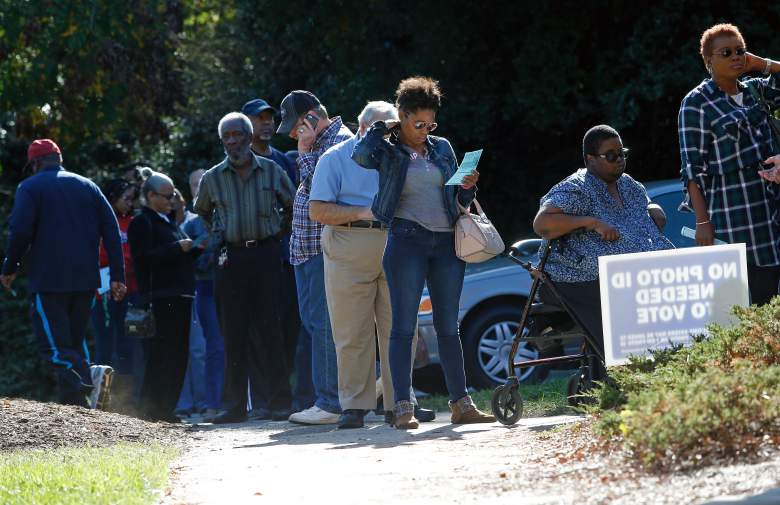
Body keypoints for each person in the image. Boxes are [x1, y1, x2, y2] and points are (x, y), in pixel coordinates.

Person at [352, 77, 494, 429]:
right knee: (403, 327)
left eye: (431, 123)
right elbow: (360, 156)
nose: (425, 130)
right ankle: (402, 405)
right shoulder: (386, 148)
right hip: (406, 240)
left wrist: (466, 188)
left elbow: (456, 201)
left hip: (447, 242)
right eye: (418, 124)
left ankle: (461, 403)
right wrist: (382, 129)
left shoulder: (442, 147)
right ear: (402, 117)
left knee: (449, 326)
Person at [310, 101, 435, 428]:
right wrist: (365, 211)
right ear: (364, 129)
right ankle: (354, 406)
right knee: (352, 331)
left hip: (397, 241)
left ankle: (401, 402)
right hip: (349, 243)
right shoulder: (333, 158)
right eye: (387, 128)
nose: (395, 135)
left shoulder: (405, 155)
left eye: (396, 128)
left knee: (401, 329)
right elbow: (318, 210)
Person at [533, 125, 673, 379]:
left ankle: (658, 373)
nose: (619, 160)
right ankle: (620, 380)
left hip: (633, 274)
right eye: (611, 155)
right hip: (575, 278)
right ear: (590, 159)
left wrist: (653, 209)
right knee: (619, 307)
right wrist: (591, 222)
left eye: (622, 153)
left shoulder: (628, 185)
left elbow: (645, 204)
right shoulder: (577, 187)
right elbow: (542, 223)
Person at [1, 139, 126, 409]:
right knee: (72, 341)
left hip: (49, 281)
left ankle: (89, 376)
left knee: (55, 348)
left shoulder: (29, 187)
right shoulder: (88, 186)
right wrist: (118, 275)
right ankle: (77, 405)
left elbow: (20, 232)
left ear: (34, 164)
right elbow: (112, 230)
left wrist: (10, 268)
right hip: (86, 281)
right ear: (59, 157)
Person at [194, 112, 295, 423]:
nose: (232, 141)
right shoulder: (212, 177)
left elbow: (292, 206)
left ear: (249, 137)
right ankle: (234, 406)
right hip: (230, 259)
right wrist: (221, 233)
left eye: (237, 135)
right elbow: (203, 212)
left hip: (265, 256)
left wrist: (277, 233)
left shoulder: (272, 170)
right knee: (232, 334)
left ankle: (280, 403)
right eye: (227, 136)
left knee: (271, 331)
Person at [679, 23, 780, 305]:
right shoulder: (696, 103)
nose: (736, 57)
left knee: (772, 302)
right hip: (734, 215)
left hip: (771, 210)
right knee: (748, 306)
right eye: (726, 52)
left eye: (740, 51)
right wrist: (702, 222)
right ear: (708, 60)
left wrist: (761, 63)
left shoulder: (755, 91)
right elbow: (692, 168)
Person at [277, 90, 353, 425]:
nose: (293, 133)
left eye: (294, 126)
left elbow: (321, 189)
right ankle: (367, 380)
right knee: (314, 323)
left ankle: (331, 402)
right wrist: (305, 149)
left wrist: (304, 151)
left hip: (327, 248)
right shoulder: (316, 142)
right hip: (305, 249)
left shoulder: (339, 140)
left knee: (324, 325)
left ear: (310, 116)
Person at [241, 97, 313, 415]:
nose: (267, 123)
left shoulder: (285, 159)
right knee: (258, 331)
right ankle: (262, 402)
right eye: (259, 118)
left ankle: (286, 399)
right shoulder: (238, 164)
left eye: (270, 117)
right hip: (255, 258)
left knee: (290, 330)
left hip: (287, 257)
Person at [128, 171, 198, 422]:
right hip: (161, 296)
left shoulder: (168, 221)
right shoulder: (142, 222)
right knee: (162, 355)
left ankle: (166, 409)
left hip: (180, 294)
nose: (172, 200)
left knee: (178, 354)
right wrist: (176, 248)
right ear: (150, 196)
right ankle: (152, 410)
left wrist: (193, 250)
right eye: (167, 196)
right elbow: (143, 259)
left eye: (174, 195)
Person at [182, 169, 225, 421]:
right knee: (213, 346)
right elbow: (189, 263)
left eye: (203, 184)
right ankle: (213, 402)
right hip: (205, 289)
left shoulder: (225, 213)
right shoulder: (190, 224)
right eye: (195, 185)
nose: (200, 189)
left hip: (230, 286)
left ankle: (240, 401)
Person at [90, 179, 138, 375]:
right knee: (105, 343)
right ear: (113, 198)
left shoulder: (134, 221)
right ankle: (100, 390)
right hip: (104, 293)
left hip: (130, 290)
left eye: (132, 199)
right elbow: (98, 254)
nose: (130, 203)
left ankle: (125, 398)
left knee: (127, 344)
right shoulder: (100, 220)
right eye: (126, 198)